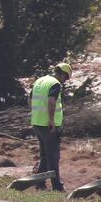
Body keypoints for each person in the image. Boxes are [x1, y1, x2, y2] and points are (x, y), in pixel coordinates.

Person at [30, 63, 72, 192]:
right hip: (47, 125)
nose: (65, 81)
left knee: (44, 155)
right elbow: (51, 101)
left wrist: (36, 115)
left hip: (37, 123)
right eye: (66, 78)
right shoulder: (55, 84)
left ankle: (39, 183)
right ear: (63, 74)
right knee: (53, 156)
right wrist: (51, 120)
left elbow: (30, 100)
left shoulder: (40, 81)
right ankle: (57, 186)